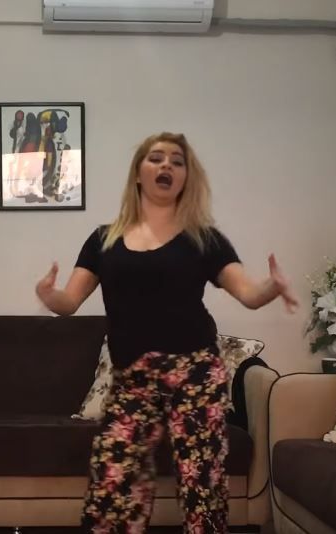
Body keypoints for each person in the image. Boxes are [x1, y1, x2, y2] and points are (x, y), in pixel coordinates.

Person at [35, 132, 298, 533]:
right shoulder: (104, 240)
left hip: (196, 374)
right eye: (156, 158)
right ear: (138, 173)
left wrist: (272, 287)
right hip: (132, 379)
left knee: (202, 484)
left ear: (186, 177)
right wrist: (49, 295)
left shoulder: (204, 239)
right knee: (113, 480)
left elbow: (247, 293)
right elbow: (69, 302)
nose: (166, 166)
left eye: (177, 161)